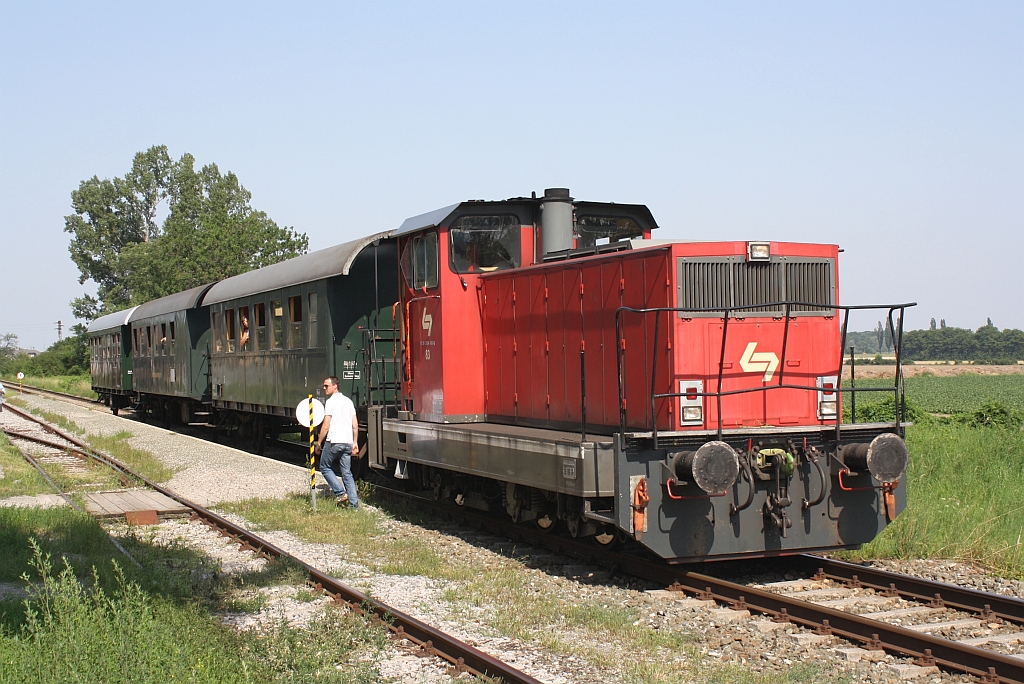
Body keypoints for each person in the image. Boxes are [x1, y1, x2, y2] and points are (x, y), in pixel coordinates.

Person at [314, 376, 360, 509]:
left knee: (324, 466)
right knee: (347, 473)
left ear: (335, 386)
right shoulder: (348, 401)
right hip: (347, 442)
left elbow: (326, 425)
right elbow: (355, 424)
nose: (324, 388)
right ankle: (354, 505)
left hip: (334, 441)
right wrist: (355, 442)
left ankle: (340, 492)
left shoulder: (330, 402)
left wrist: (319, 443)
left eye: (326, 386)